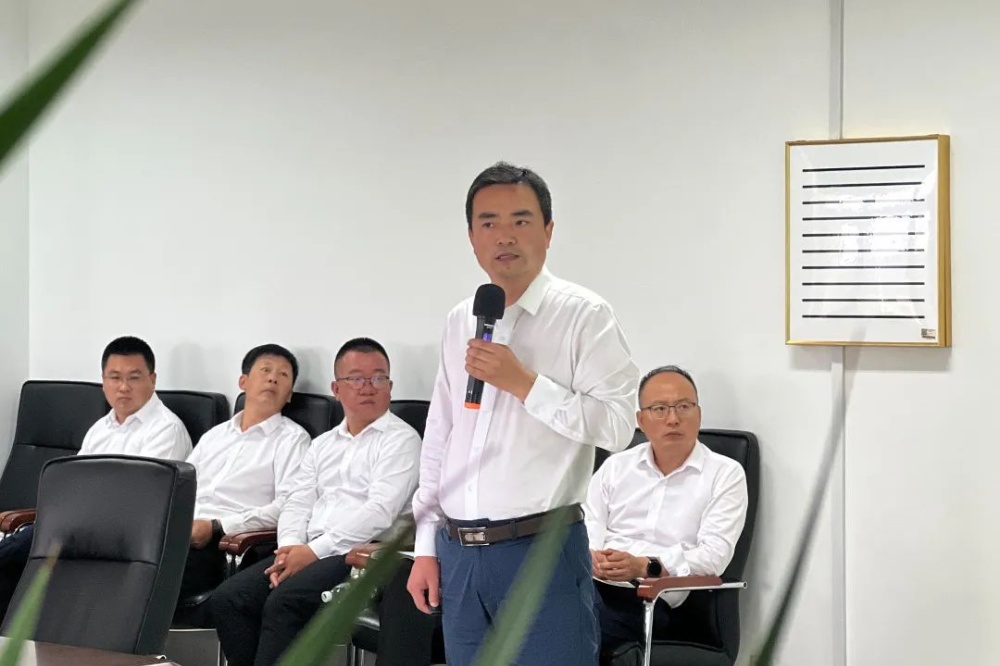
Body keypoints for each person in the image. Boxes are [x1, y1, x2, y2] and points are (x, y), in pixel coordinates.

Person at [407, 162, 640, 665]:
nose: (504, 236)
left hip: (540, 553)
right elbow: (441, 434)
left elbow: (619, 426)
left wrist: (525, 384)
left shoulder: (584, 315)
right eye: (488, 222)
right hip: (458, 553)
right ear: (472, 238)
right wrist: (426, 545)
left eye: (520, 220)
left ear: (548, 231)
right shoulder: (461, 318)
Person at [211, 337, 421, 666]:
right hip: (308, 549)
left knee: (284, 602)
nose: (368, 387)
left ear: (390, 387)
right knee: (230, 599)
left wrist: (312, 552)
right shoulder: (323, 444)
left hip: (359, 555)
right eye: (357, 378)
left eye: (378, 378)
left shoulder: (402, 440)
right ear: (336, 389)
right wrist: (290, 548)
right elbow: (297, 502)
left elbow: (379, 512)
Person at [0, 335, 192, 620]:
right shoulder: (101, 429)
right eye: (115, 377)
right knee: (11, 564)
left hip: (125, 533)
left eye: (134, 377)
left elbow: (143, 501)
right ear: (103, 381)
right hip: (79, 526)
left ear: (152, 380)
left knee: (17, 552)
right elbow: (71, 485)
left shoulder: (166, 430)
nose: (123, 387)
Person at [586, 366, 748, 660]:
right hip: (593, 586)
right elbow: (588, 522)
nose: (673, 419)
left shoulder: (725, 474)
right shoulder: (616, 466)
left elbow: (715, 556)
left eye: (684, 407)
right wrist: (592, 556)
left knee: (574, 627)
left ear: (699, 414)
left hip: (651, 600)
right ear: (641, 420)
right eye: (660, 409)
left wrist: (643, 566)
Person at [179, 343, 311, 603]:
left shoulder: (293, 440)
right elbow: (181, 487)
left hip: (223, 545)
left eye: (283, 375)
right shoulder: (215, 436)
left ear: (289, 396)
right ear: (243, 382)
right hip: (179, 531)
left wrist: (217, 526)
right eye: (265, 370)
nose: (273, 378)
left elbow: (287, 506)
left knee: (142, 579)